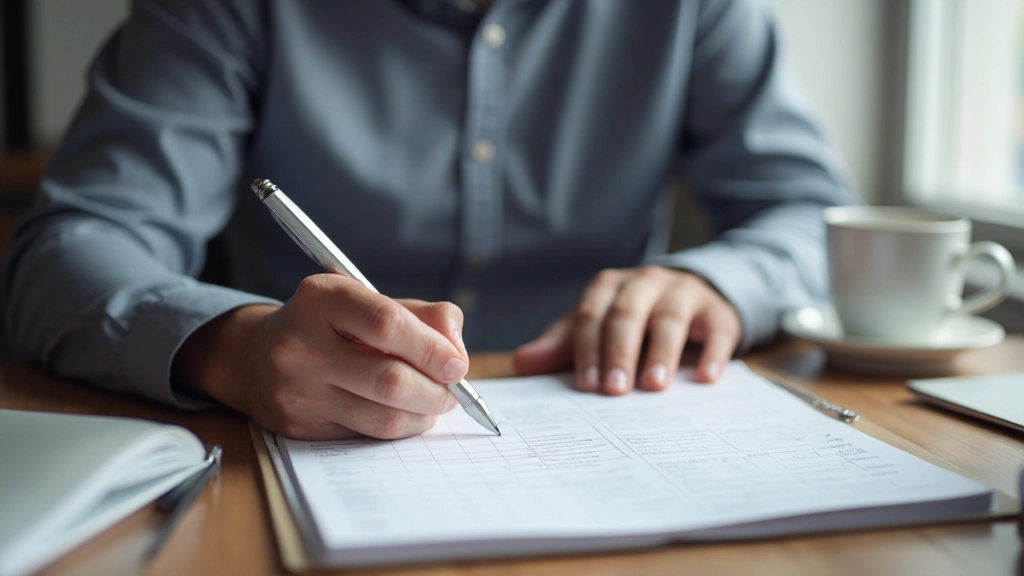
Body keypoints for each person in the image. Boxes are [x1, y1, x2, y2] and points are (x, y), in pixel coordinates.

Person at [2, 0, 853, 440]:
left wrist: (715, 282)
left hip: (617, 426)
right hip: (282, 452)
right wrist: (234, 349)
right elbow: (67, 253)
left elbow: (812, 215)